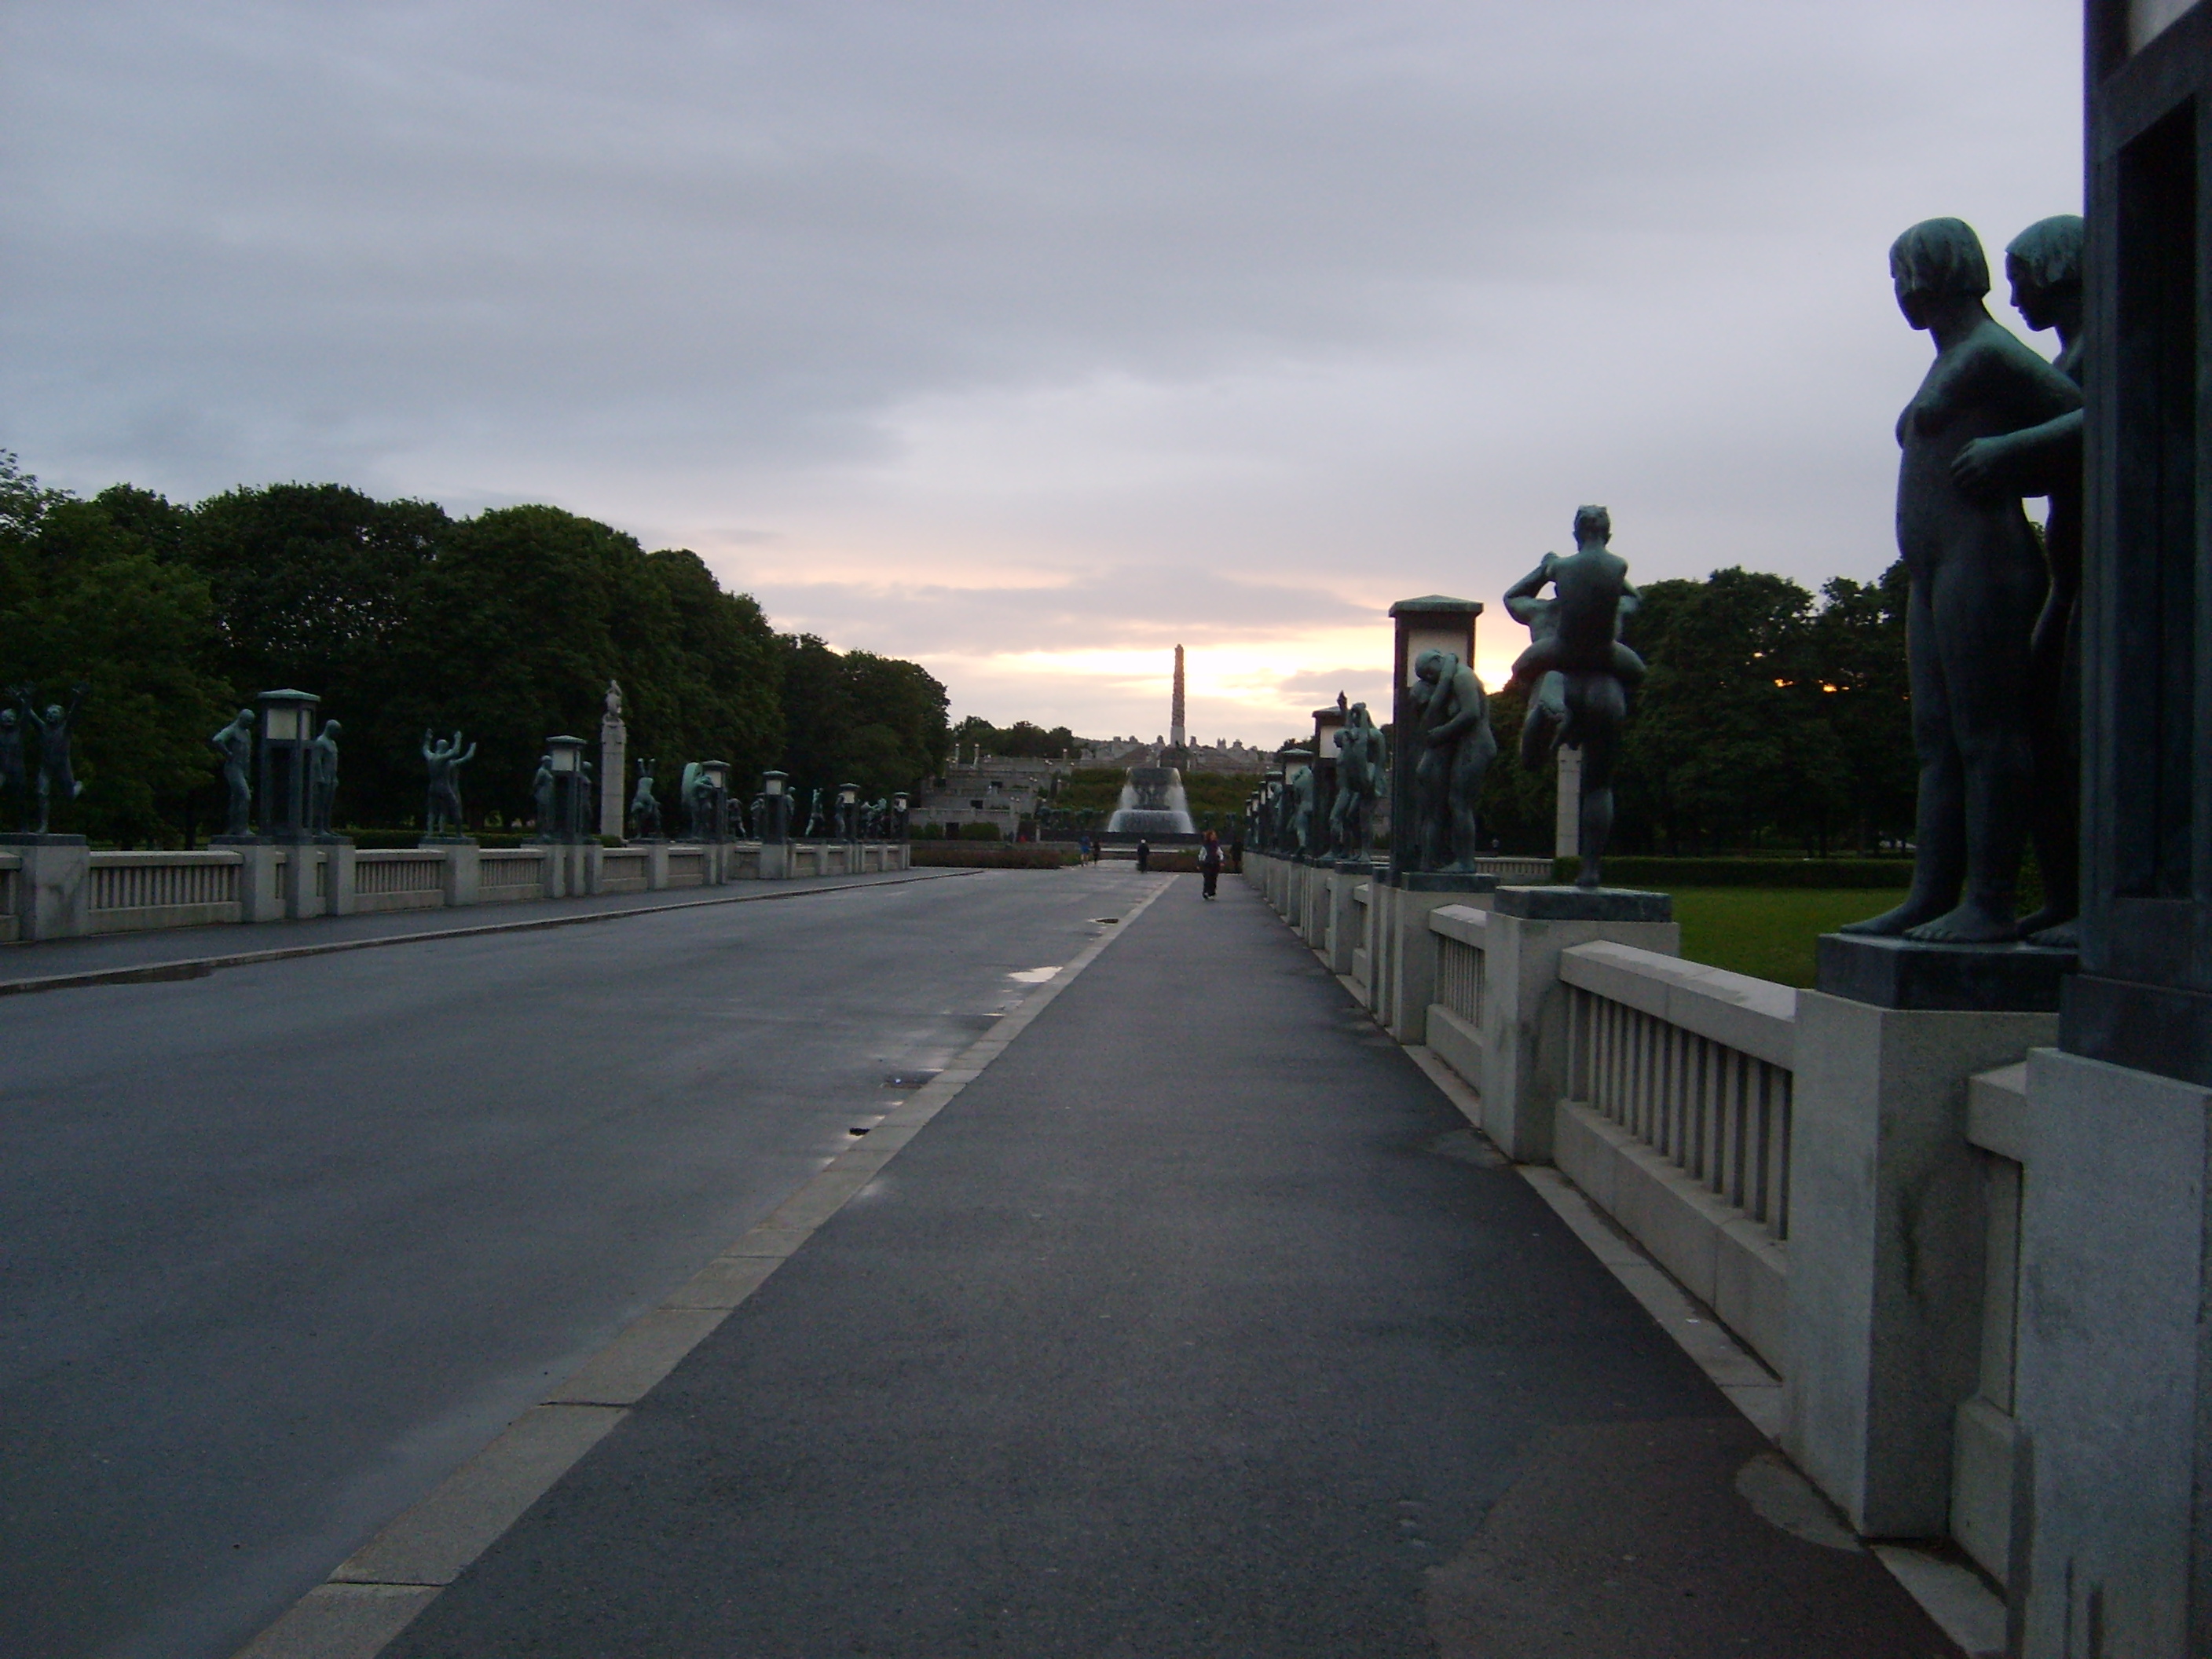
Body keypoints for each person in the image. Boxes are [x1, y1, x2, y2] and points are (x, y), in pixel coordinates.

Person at [1843, 217, 2082, 942]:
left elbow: (2100, 417)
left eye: (1898, 277)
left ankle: (1990, 901)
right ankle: (1932, 894)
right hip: (1936, 566)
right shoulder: (1955, 357)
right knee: (1936, 737)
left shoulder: (1990, 353)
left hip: (1985, 559)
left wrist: (2012, 450)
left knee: (1990, 734)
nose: (1896, 294)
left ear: (1928, 273)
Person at [1199, 830, 1223, 900]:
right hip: (1207, 863)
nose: (1214, 836)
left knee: (1213, 878)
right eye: (1213, 835)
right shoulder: (1205, 845)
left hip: (1215, 863)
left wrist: (1221, 860)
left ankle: (1212, 892)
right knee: (1208, 877)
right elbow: (1202, 854)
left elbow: (1220, 853)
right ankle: (1206, 891)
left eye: (1214, 835)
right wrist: (1200, 862)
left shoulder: (1216, 845)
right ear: (1209, 836)